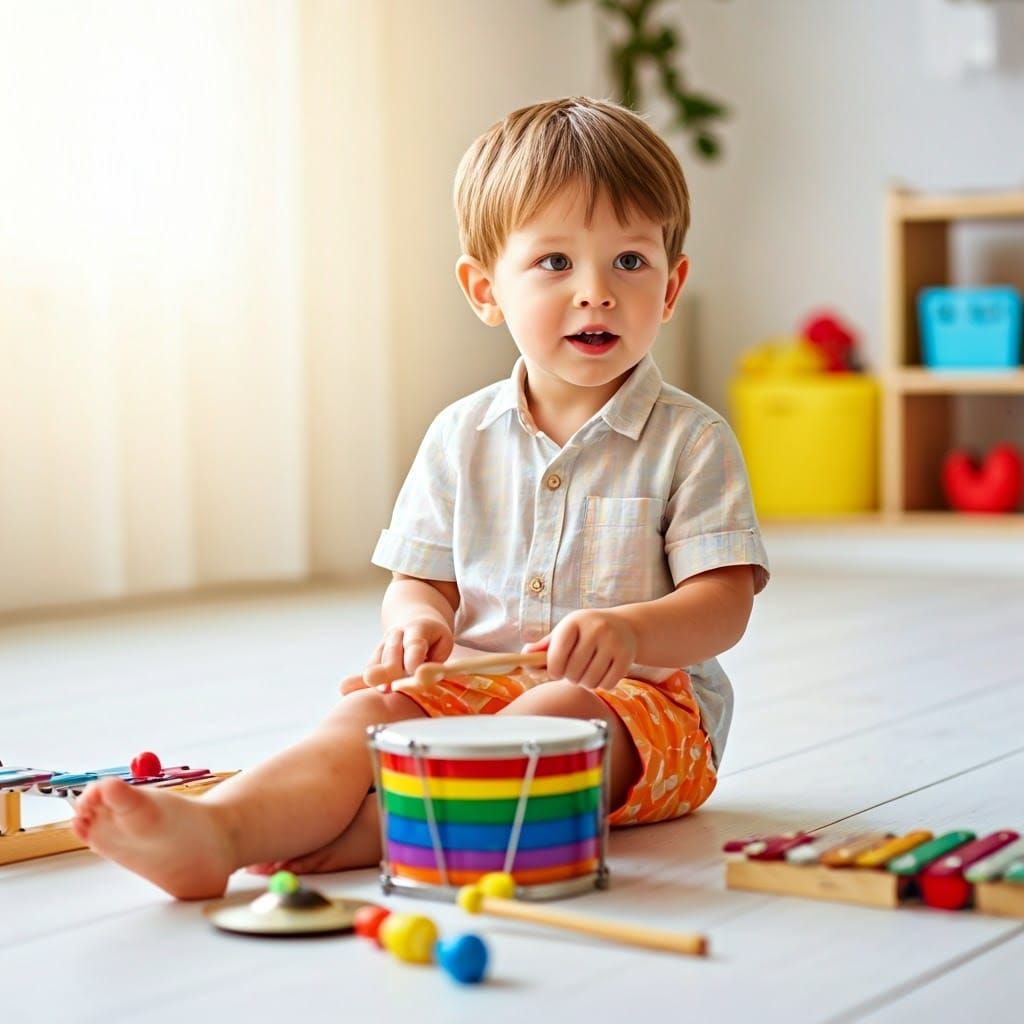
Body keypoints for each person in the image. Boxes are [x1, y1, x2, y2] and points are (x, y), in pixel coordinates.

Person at [72, 96, 769, 899]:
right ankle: (221, 828)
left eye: (630, 262)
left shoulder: (692, 439)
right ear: (485, 289)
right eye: (554, 263)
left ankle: (373, 832)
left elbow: (725, 606)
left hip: (644, 717)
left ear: (672, 285)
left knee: (562, 705)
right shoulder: (459, 435)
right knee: (362, 716)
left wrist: (631, 629)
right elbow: (421, 579)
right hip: (472, 690)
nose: (596, 292)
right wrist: (418, 625)